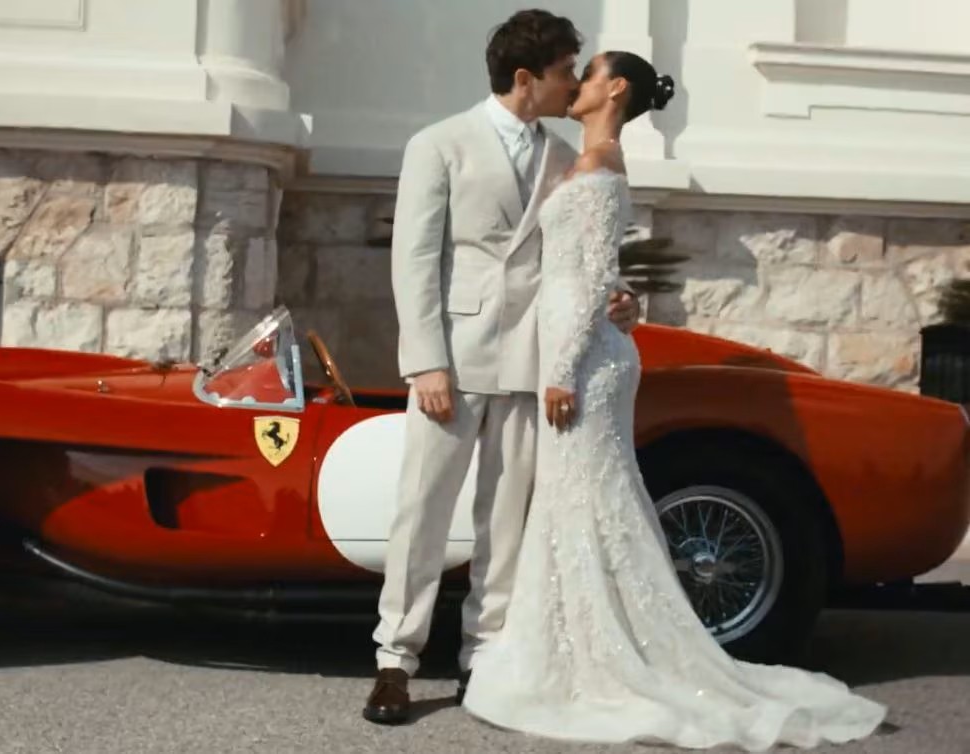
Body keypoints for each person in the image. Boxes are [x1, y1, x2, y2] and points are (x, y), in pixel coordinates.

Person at [459, 49, 889, 750]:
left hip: (584, 361)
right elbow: (602, 271)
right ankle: (573, 642)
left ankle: (600, 655)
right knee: (581, 503)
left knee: (588, 500)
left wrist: (564, 368)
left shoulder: (601, 165)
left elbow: (593, 272)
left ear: (615, 88)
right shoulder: (588, 161)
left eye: (589, 74)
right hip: (585, 344)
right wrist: (620, 299)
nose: (579, 85)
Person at [364, 9, 640, 725]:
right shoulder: (439, 144)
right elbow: (415, 261)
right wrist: (425, 361)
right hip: (451, 361)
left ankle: (482, 659)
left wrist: (619, 299)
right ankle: (395, 658)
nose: (575, 83)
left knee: (506, 525)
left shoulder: (564, 158)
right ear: (527, 78)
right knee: (422, 513)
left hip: (531, 360)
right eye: (564, 72)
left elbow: (577, 258)